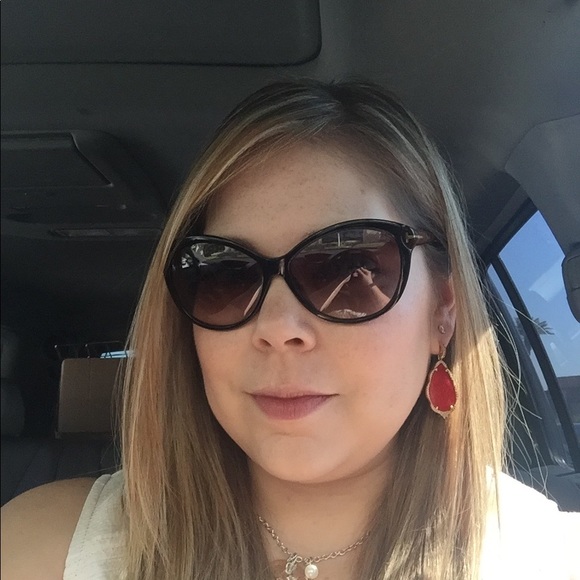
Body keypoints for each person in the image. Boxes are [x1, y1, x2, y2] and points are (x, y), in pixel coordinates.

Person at [2, 80, 579, 580]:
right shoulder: (42, 548)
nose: (277, 328)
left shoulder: (546, 559)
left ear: (442, 313)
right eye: (225, 274)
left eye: (349, 269)